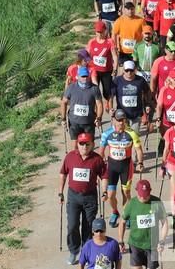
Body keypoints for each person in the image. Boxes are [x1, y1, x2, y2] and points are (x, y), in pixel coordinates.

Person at [59, 132, 108, 266]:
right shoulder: (70, 157)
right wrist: (60, 192)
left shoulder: (97, 159)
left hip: (90, 197)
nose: (84, 146)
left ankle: (86, 253)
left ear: (92, 144)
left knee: (88, 226)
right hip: (73, 196)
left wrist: (104, 191)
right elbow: (63, 174)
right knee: (72, 225)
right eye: (81, 143)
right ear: (77, 144)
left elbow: (104, 176)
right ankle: (74, 250)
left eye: (87, 144)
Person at [100, 109, 144, 227]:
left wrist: (140, 162)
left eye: (122, 120)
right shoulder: (107, 134)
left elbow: (139, 149)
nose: (120, 122)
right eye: (118, 120)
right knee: (110, 195)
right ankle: (115, 212)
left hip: (126, 167)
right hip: (112, 167)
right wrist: (100, 164)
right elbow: (101, 151)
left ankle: (126, 215)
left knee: (126, 192)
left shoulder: (131, 133)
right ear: (113, 120)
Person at [119, 180, 168, 269]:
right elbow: (122, 222)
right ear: (137, 191)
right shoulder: (131, 203)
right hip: (135, 244)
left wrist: (162, 241)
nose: (144, 198)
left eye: (146, 195)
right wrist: (120, 241)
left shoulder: (156, 202)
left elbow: (164, 222)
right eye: (141, 196)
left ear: (150, 191)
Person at [61, 67, 104, 150]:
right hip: (74, 122)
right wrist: (63, 119)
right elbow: (64, 102)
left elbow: (99, 104)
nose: (85, 78)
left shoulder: (94, 88)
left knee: (89, 145)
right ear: (77, 76)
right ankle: (76, 161)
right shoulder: (71, 88)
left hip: (89, 122)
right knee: (75, 145)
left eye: (86, 76)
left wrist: (99, 118)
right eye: (82, 76)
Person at [111, 60, 152, 134]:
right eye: (127, 70)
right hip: (122, 115)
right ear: (123, 70)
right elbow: (111, 95)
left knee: (134, 135)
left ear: (135, 70)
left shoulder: (140, 80)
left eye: (131, 70)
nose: (129, 72)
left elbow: (147, 92)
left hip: (136, 114)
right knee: (123, 136)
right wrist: (111, 108)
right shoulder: (117, 80)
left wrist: (148, 104)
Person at [88, 21, 119, 112]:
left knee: (107, 90)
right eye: (98, 32)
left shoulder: (109, 42)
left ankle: (107, 102)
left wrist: (115, 68)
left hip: (106, 71)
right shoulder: (92, 42)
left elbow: (114, 56)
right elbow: (86, 55)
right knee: (94, 90)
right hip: (94, 71)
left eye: (101, 32)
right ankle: (95, 108)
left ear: (105, 30)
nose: (99, 34)